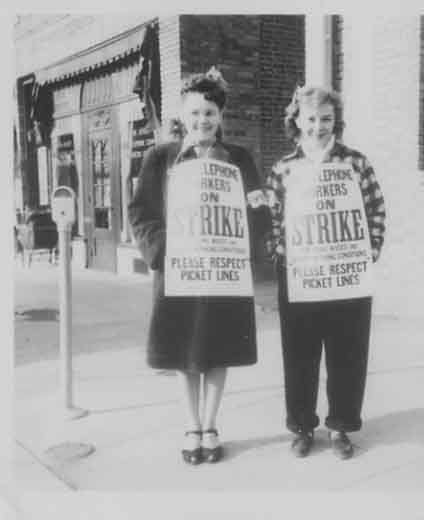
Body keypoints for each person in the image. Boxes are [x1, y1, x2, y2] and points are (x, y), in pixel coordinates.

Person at [129, 67, 269, 465]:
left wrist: (251, 237)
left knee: (218, 350)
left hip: (224, 271)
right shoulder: (161, 159)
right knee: (185, 352)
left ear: (220, 115)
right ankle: (192, 425)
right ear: (182, 115)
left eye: (210, 112)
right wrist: (162, 249)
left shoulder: (239, 159)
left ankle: (211, 424)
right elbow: (140, 213)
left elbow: (258, 210)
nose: (202, 120)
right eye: (195, 113)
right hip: (180, 272)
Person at [265, 85, 386, 459]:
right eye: (311, 118)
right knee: (299, 355)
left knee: (347, 353)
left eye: (326, 119)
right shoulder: (284, 168)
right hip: (300, 277)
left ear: (337, 121)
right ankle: (302, 426)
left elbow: (375, 211)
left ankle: (341, 426)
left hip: (347, 276)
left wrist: (366, 254)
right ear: (297, 121)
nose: (318, 126)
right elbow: (272, 222)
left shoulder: (356, 163)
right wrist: (283, 257)